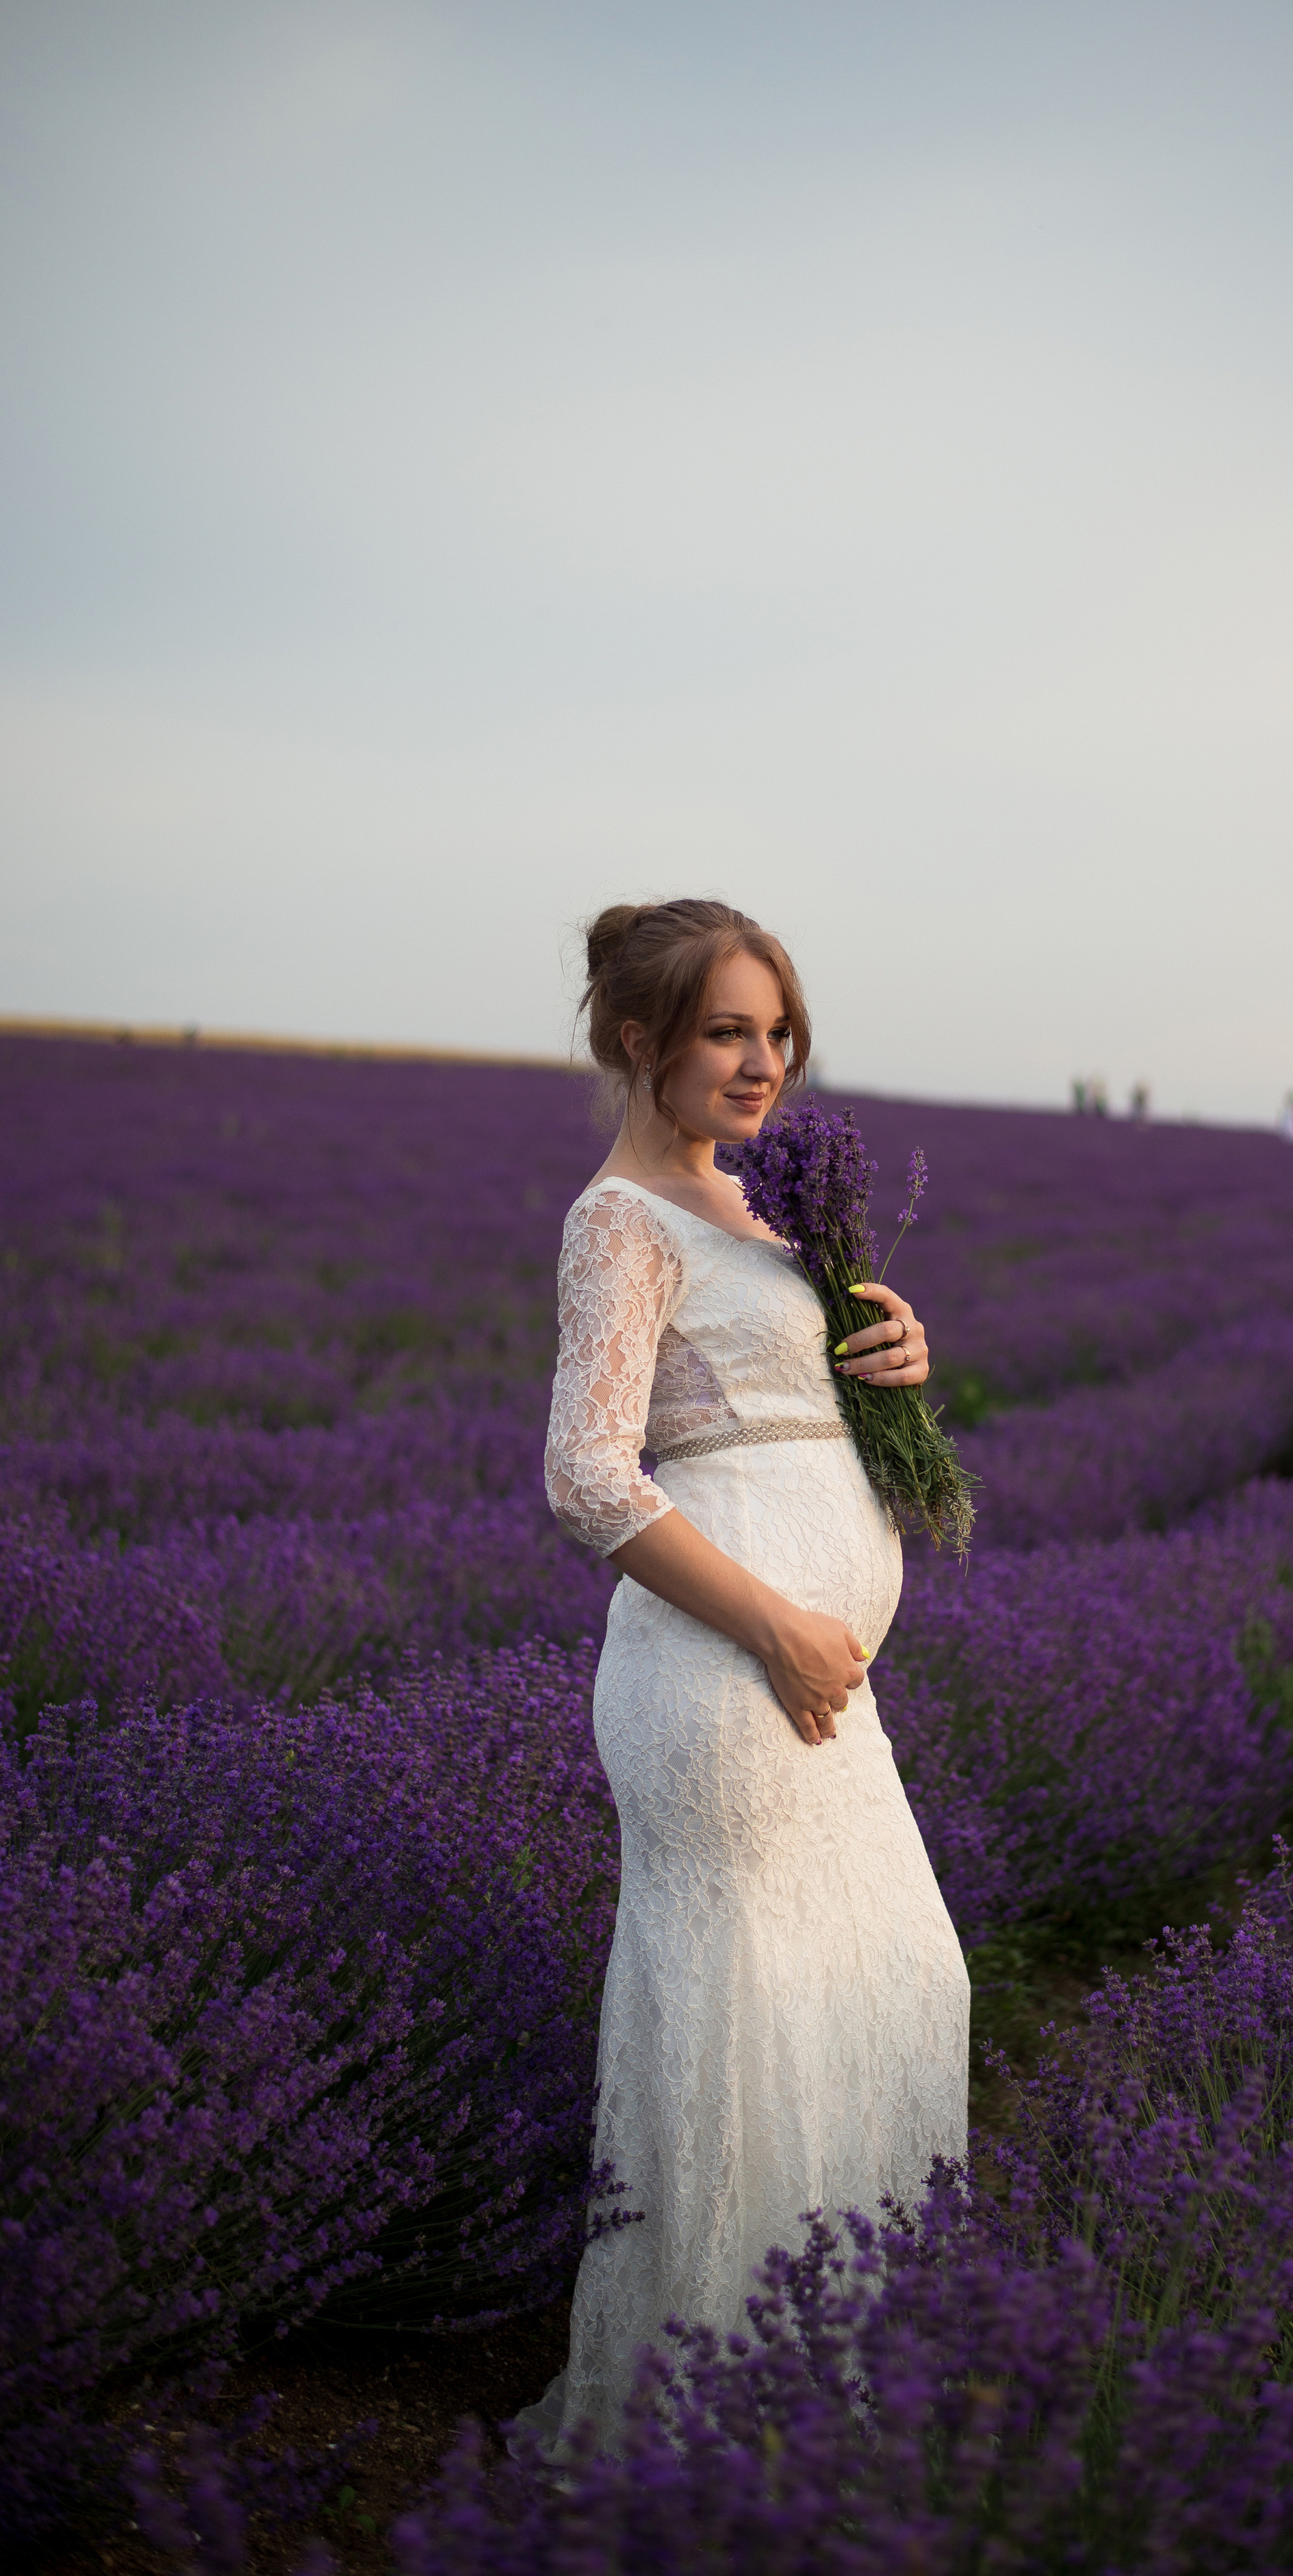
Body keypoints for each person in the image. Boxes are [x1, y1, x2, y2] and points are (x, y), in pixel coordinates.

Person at [514, 899, 969, 2452]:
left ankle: (821, 2389)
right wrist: (775, 1622)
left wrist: (894, 1358)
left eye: (776, 1031)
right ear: (639, 1039)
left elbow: (795, 1413)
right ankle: (700, 2432)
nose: (762, 1061)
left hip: (821, 1683)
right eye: (725, 1029)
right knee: (739, 2036)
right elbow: (586, 1476)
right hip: (723, 1677)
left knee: (892, 1987)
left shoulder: (763, 1210)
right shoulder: (619, 1222)